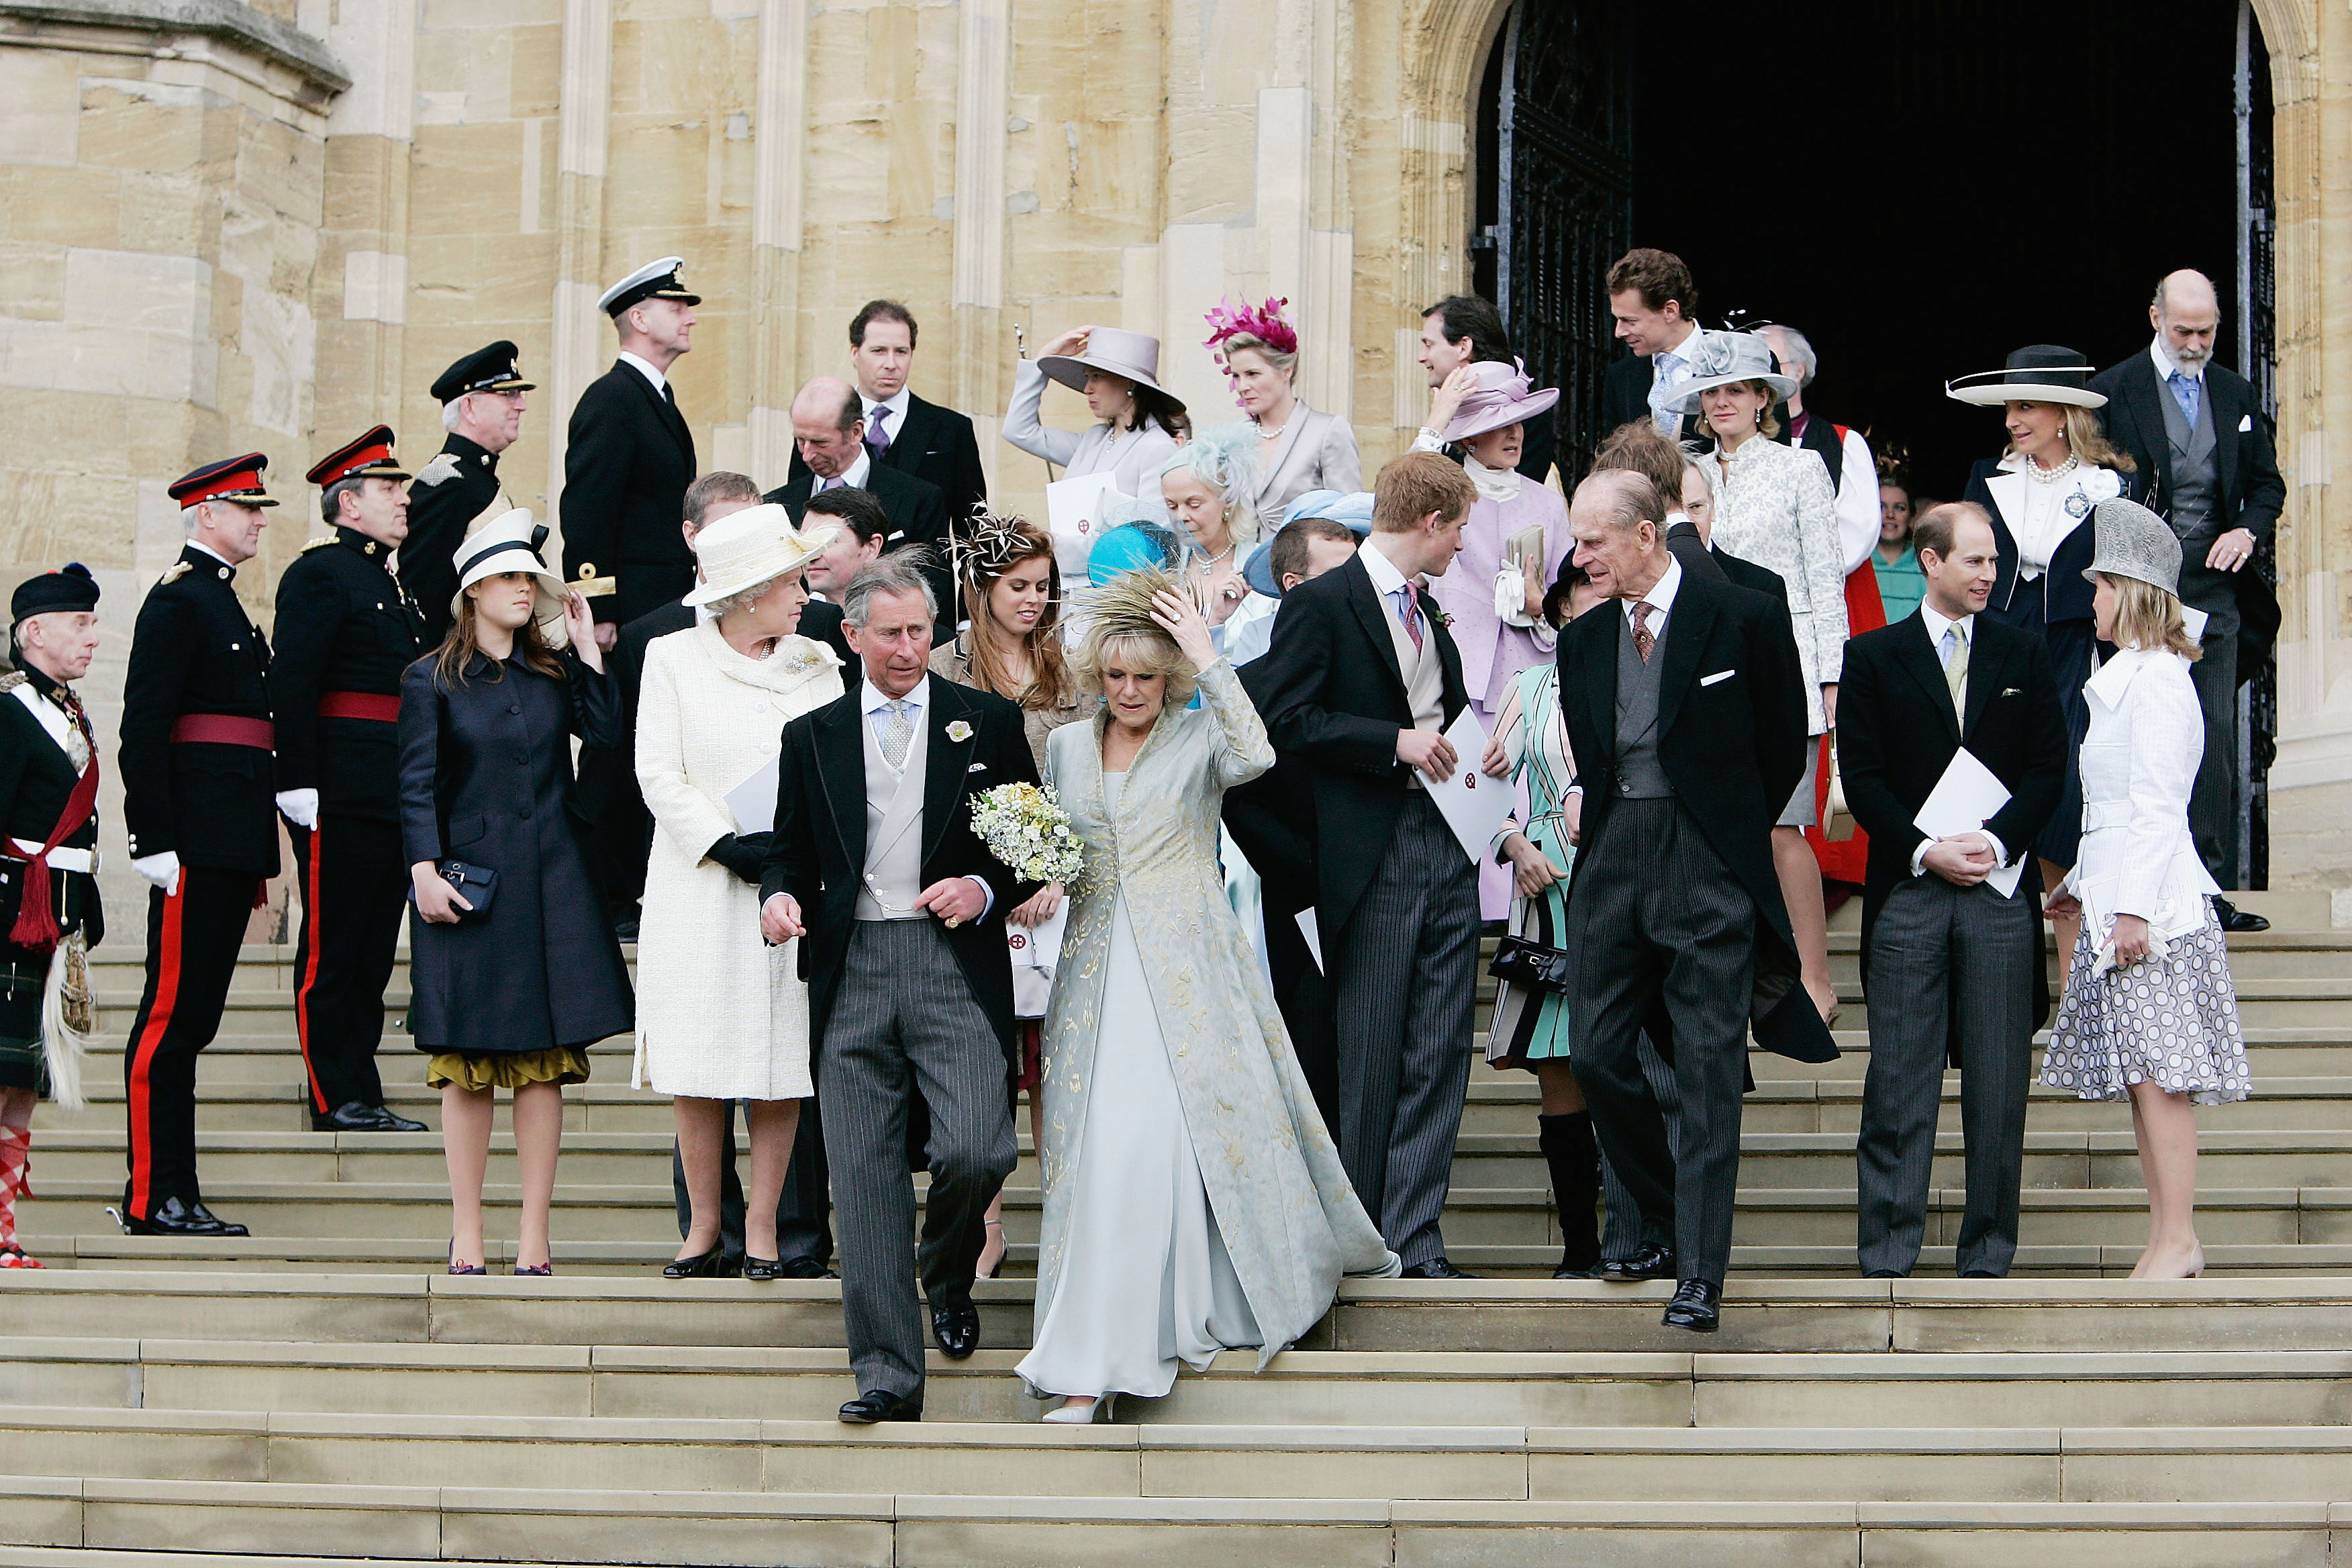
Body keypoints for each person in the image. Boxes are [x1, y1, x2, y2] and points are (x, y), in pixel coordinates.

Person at [1019, 571, 1396, 1422]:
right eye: (1115, 676)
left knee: (1154, 1145)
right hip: (1091, 971)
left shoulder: (1199, 737)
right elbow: (1065, 846)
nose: (1128, 691)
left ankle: (1132, 1340)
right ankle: (1097, 1345)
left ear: (1171, 678)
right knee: (1098, 1154)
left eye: (1146, 677)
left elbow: (1257, 754)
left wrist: (1207, 653)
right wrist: (1040, 876)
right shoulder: (1067, 750)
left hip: (1188, 970)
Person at [756, 556, 1042, 1424]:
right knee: (865, 1177)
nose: (911, 649)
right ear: (853, 637)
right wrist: (777, 896)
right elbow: (790, 851)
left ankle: (948, 1272)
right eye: (892, 634)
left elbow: (1032, 843)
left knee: (977, 1149)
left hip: (952, 962)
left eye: (922, 631)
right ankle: (885, 1373)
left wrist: (984, 889)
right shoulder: (812, 736)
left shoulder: (986, 721)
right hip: (851, 973)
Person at [1555, 470, 1833, 1333]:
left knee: (1710, 1071)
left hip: (1707, 860)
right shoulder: (1583, 638)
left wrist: (1727, 831)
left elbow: (1785, 737)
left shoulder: (1743, 616)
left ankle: (1699, 1272)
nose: (1582, 556)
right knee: (1598, 1051)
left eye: (1596, 540)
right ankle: (1677, 1215)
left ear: (1645, 535)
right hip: (1611, 861)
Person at [1253, 451, 1483, 1279]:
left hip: (1449, 845)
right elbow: (1282, 720)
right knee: (1374, 1049)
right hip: (1370, 855)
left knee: (1441, 1047)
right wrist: (1391, 741)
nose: (1464, 542)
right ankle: (1363, 1238)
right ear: (1431, 521)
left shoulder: (1432, 611)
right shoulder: (1320, 604)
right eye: (1459, 526)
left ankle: (1418, 1238)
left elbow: (1441, 712)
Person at [400, 511, 634, 1276]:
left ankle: (534, 1232)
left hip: (554, 883)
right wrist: (423, 868)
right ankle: (466, 1228)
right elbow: (415, 783)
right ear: (472, 590)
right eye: (507, 576)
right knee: (467, 1063)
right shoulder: (430, 676)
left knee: (541, 1065)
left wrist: (589, 646)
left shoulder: (549, 673)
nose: (522, 588)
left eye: (528, 576)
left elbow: (605, 738)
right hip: (470, 887)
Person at [1839, 501, 2067, 1279]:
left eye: (1995, 561)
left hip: (2001, 894)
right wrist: (1926, 847)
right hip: (1910, 891)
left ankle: (1987, 1253)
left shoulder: (2023, 652)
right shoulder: (1871, 656)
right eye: (1974, 560)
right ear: (1931, 562)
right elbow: (1861, 779)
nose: (1988, 574)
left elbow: (2048, 769)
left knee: (2000, 1086)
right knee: (1899, 1082)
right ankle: (1889, 1251)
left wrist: (2001, 841)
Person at [2039, 499, 2251, 1279]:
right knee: (2142, 1079)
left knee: (2161, 1077)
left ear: (2127, 590)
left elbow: (2159, 804)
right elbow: (2109, 810)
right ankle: (2171, 1237)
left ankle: (2177, 1236)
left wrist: (2128, 908)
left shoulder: (2160, 679)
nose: (2087, 601)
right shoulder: (2125, 677)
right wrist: (2083, 890)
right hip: (2120, 899)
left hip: (2154, 911)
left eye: (2097, 587)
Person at [635, 503, 842, 1280]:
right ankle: (703, 1228)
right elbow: (657, 770)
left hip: (785, 889)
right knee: (697, 1052)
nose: (804, 589)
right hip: (699, 883)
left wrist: (788, 853)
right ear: (751, 589)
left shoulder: (817, 661)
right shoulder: (670, 657)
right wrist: (727, 843)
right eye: (792, 577)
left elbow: (833, 765)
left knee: (776, 1053)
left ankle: (763, 1226)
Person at [114, 453, 283, 1240]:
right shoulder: (179, 601)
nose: (258, 519)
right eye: (247, 507)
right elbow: (144, 725)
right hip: (191, 842)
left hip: (229, 837)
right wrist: (153, 836)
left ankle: (177, 1189)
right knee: (169, 1018)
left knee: (196, 1021)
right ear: (207, 512)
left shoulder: (224, 605)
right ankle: (154, 1194)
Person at [2090, 270, 2285, 931]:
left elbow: (2268, 484)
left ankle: (2204, 891)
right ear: (2155, 318)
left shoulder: (2235, 391)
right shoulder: (2113, 390)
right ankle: (2123, 883)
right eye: (2185, 330)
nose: (2197, 342)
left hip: (2214, 590)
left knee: (2212, 735)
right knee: (2129, 729)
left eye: (2207, 331)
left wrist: (2246, 529)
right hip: (2140, 592)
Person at [1949, 344, 2147, 979]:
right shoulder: (1987, 478)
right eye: (2009, 405)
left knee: (2062, 798)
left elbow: (2129, 585)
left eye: (2026, 405)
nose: (2012, 418)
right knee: (1993, 790)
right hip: (1998, 651)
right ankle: (1999, 985)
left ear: (2064, 414)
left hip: (2074, 655)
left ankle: (2075, 989)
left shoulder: (2112, 487)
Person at [928, 513, 1090, 1279]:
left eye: (1044, 587)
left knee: (1056, 1064)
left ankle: (1064, 1213)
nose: (1034, 599)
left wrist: (1055, 868)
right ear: (981, 588)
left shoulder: (1073, 667)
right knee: (982, 1064)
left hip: (1063, 893)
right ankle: (985, 1223)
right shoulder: (941, 667)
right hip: (969, 893)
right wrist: (1003, 877)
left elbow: (1092, 781)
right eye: (1018, 586)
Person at [1675, 331, 1847, 1023]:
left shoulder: (1800, 468)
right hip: (1705, 666)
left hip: (1788, 661)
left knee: (1784, 826)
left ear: (1761, 399)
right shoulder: (1683, 470)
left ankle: (1814, 979)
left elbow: (1825, 574)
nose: (1722, 403)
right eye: (1711, 392)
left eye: (1736, 390)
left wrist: (1832, 677)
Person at [271, 426, 431, 1134]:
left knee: (370, 946)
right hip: (337, 787)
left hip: (388, 787)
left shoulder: (393, 582)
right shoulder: (318, 574)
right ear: (348, 504)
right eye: (389, 489)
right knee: (334, 946)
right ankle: (332, 1089)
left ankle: (359, 1081)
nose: (405, 500)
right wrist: (295, 777)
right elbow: (294, 680)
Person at [1478, 556, 1608, 1278]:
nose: (1598, 600)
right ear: (1558, 605)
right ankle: (1580, 1246)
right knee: (1558, 1069)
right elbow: (1484, 791)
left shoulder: (1646, 676)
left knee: (1626, 1060)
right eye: (1585, 588)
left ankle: (1639, 1232)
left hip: (1629, 885)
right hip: (1549, 887)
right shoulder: (1529, 688)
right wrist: (1513, 843)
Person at [0, 566, 106, 1268]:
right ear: (34, 632)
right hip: (12, 915)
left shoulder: (67, 711)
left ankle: (2, 1230)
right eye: (80, 622)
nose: (93, 635)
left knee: (21, 1084)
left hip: (56, 919)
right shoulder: (9, 715)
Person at [562, 257, 701, 638]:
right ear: (639, 320)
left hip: (660, 601)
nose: (689, 319)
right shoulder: (611, 399)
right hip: (630, 609)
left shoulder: (655, 396)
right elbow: (587, 510)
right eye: (676, 309)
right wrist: (598, 606)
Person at [767, 379, 954, 625]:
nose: (807, 454)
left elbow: (933, 592)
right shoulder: (777, 506)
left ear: (856, 432)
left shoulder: (918, 498)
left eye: (821, 442)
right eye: (801, 440)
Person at [786, 301, 987, 529]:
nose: (891, 364)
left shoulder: (952, 428)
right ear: (855, 352)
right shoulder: (817, 423)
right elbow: (799, 504)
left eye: (901, 351)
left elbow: (973, 525)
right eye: (879, 351)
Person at [404, 342, 531, 646]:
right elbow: (423, 592)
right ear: (469, 408)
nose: (521, 405)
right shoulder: (447, 482)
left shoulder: (477, 479)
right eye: (507, 394)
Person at [1202, 297, 1362, 526]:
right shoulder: (1236, 438)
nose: (1242, 387)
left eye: (1252, 374)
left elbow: (1350, 517)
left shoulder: (1327, 430)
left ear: (1286, 371)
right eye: (1236, 376)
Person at [1003, 325, 1188, 497]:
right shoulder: (1092, 441)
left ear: (1130, 382)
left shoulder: (1157, 448)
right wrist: (1041, 361)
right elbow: (1018, 430)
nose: (1087, 389)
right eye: (1087, 377)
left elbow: (1154, 529)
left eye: (1097, 377)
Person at [1755, 325, 1880, 577]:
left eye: (1772, 364)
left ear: (1799, 370)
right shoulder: (1735, 445)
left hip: (1829, 584)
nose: (1763, 376)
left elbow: (1856, 533)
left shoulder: (1844, 442)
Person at [1157, 425, 1276, 660]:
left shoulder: (1262, 569)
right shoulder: (1162, 563)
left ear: (1228, 501)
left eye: (1193, 504)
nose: (1181, 516)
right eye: (1172, 505)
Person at [1414, 295, 1559, 483]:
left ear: (1463, 348)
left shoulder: (1527, 418)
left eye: (1429, 345)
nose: (1422, 357)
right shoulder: (1448, 411)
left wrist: (1434, 428)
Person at [1600, 249, 1707, 437]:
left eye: (1630, 321)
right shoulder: (1621, 376)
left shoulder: (1735, 359)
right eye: (1617, 320)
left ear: (1670, 311)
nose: (1619, 332)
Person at [798, 486, 891, 671]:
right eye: (805, 542)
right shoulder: (792, 620)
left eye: (828, 542)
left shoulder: (908, 621)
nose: (812, 555)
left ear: (872, 547)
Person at [1873, 481, 1926, 623]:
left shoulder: (1926, 564)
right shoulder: (1856, 563)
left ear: (1912, 518)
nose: (1890, 515)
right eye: (1881, 507)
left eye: (1899, 508)